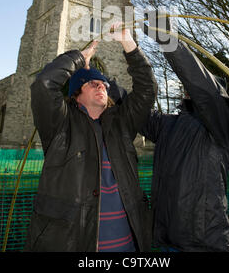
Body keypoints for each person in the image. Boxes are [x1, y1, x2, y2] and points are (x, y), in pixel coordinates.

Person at [24, 24, 156, 252]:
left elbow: (147, 89)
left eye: (103, 83)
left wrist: (128, 44)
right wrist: (78, 58)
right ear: (76, 95)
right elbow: (44, 84)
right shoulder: (61, 126)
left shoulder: (122, 123)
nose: (101, 86)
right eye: (91, 83)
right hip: (72, 243)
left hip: (129, 248)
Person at [140, 18, 229, 252]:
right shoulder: (168, 125)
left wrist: (167, 40)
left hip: (204, 244)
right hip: (166, 241)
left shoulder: (220, 124)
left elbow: (204, 89)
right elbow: (136, 110)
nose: (188, 85)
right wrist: (103, 85)